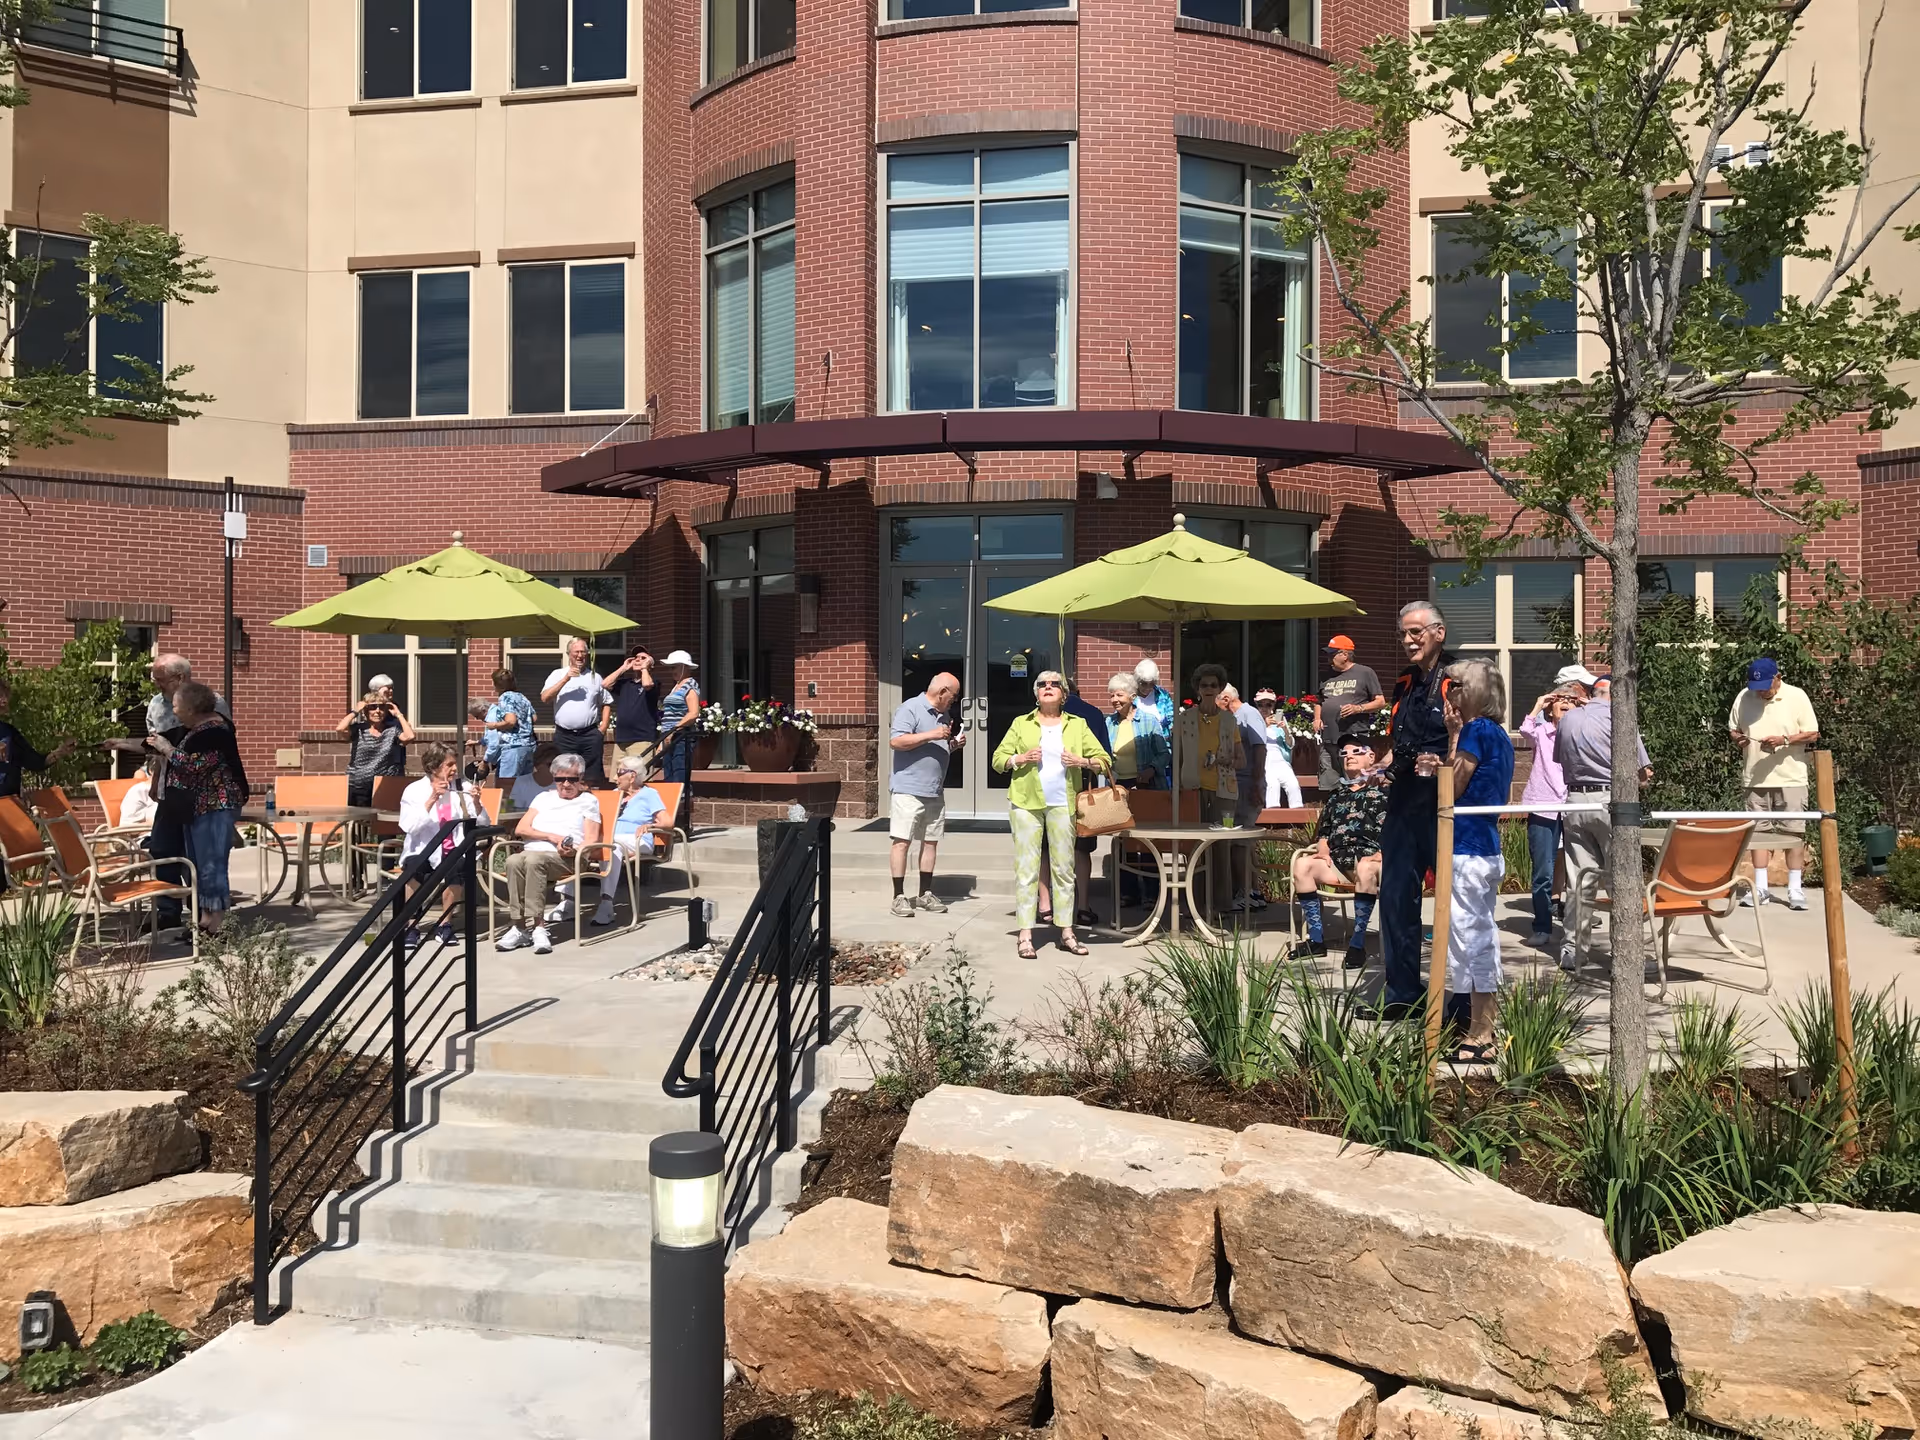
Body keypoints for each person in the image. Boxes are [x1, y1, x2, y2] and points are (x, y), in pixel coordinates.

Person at [1375, 602, 1456, 1019]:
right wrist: (1383, 768)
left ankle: (1458, 999)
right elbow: (1399, 745)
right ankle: (1403, 992)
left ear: (1438, 633)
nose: (1408, 641)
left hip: (1443, 804)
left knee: (1454, 901)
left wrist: (1441, 763)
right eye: (1403, 634)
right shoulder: (1404, 682)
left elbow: (1469, 740)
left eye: (1415, 633)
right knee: (1393, 897)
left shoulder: (1458, 678)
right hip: (1404, 800)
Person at [107, 655, 229, 930]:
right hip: (169, 789)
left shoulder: (212, 707)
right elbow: (156, 746)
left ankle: (203, 916)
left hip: (201, 795)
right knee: (162, 849)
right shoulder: (155, 704)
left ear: (181, 679)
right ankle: (167, 912)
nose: (156, 685)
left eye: (160, 680)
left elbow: (203, 752)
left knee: (198, 856)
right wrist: (153, 777)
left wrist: (166, 751)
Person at [993, 670, 1109, 959]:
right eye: (1042, 684)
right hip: (1026, 802)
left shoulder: (1078, 724)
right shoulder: (1021, 723)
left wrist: (1083, 761)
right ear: (1035, 693)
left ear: (1064, 694)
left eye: (1054, 684)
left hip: (1064, 804)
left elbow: (1105, 760)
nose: (1048, 687)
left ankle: (1067, 931)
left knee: (1064, 868)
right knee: (1027, 868)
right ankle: (1025, 934)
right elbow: (997, 760)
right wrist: (1018, 758)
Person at [1554, 669, 1653, 973]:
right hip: (1610, 803)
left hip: (1573, 803)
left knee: (1579, 879)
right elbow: (1643, 773)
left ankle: (1573, 951)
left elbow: (1561, 759)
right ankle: (1627, 954)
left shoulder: (1569, 718)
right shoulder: (1619, 718)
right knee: (1619, 879)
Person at [1442, 658, 1516, 1065]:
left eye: (1454, 685)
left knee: (1472, 938)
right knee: (1471, 936)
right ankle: (1475, 1023)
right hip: (1484, 843)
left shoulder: (1476, 730)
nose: (1449, 692)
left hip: (1468, 847)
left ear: (1471, 691)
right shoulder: (1499, 734)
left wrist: (1453, 736)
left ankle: (1482, 1031)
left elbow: (1452, 786)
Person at [150, 680, 248, 935]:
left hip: (216, 804)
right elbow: (156, 742)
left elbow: (195, 765)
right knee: (199, 864)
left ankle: (216, 925)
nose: (173, 709)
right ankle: (204, 919)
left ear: (191, 707)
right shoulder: (193, 730)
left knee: (212, 864)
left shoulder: (217, 731)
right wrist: (118, 743)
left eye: (176, 704)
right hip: (197, 806)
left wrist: (167, 750)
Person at [1728, 657, 1820, 911]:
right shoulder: (1744, 696)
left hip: (1790, 778)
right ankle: (1761, 888)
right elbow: (1734, 729)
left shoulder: (1796, 696)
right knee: (1759, 834)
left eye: (1767, 686)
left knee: (1793, 833)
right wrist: (1739, 740)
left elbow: (1813, 733)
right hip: (1755, 779)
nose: (1762, 692)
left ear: (1778, 678)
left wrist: (1785, 739)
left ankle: (1794, 889)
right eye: (1757, 687)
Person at [1289, 738, 1389, 967]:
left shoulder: (1385, 792)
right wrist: (1323, 851)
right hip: (1339, 862)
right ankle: (1316, 941)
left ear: (1371, 757)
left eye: (1356, 751)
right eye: (1344, 753)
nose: (1349, 756)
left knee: (1364, 867)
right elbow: (1324, 834)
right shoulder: (1336, 795)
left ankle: (1357, 944)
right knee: (1303, 865)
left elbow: (1398, 829)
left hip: (1374, 863)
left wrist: (1383, 852)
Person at [498, 752, 601, 955]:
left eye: (571, 779)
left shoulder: (588, 801)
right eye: (560, 779)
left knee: (533, 861)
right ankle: (519, 927)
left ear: (580, 779)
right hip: (533, 853)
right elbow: (521, 829)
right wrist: (552, 837)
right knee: (512, 861)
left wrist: (573, 850)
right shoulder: (543, 798)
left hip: (568, 859)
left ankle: (538, 928)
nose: (565, 784)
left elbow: (592, 839)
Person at [888, 672, 963, 918]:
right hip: (908, 789)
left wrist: (953, 744)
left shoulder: (945, 715)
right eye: (953, 696)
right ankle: (899, 896)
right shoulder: (910, 708)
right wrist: (932, 734)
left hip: (934, 789)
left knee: (930, 842)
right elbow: (897, 742)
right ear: (942, 692)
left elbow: (937, 747)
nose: (954, 701)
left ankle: (925, 894)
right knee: (902, 841)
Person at [1043, 680, 1116, 930]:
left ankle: (1044, 906)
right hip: (1083, 791)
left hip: (1047, 790)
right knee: (1081, 849)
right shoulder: (1093, 714)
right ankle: (1083, 906)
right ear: (1077, 692)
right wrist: (1084, 761)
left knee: (1045, 848)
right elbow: (1106, 758)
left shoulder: (1040, 715)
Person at [397, 743, 480, 950]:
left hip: (454, 847)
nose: (454, 769)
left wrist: (477, 803)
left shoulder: (463, 788)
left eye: (455, 764)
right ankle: (412, 925)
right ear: (434, 767)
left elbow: (481, 822)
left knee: (457, 866)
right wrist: (432, 799)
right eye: (449, 765)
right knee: (414, 867)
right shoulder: (414, 790)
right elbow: (409, 826)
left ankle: (445, 924)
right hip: (423, 847)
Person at [1517, 687, 1578, 948]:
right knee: (1543, 871)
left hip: (1574, 808)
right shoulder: (1542, 732)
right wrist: (1539, 704)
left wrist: (1587, 706)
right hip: (1542, 807)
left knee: (1577, 873)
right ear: (1551, 709)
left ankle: (1575, 930)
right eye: (1560, 700)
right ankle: (1542, 926)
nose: (1565, 703)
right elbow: (1525, 730)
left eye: (1571, 700)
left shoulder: (1582, 733)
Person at [588, 755, 677, 928]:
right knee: (580, 842)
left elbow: (668, 822)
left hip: (638, 840)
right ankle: (568, 902)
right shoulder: (614, 795)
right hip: (613, 840)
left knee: (612, 846)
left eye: (619, 773)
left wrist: (649, 825)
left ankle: (606, 905)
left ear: (632, 776)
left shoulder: (649, 794)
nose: (614, 778)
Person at [1312, 635, 1385, 790]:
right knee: (1329, 783)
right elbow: (1318, 701)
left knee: (1356, 780)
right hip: (1329, 737)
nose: (1328, 658)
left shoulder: (1365, 672)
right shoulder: (1325, 676)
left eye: (1332, 654)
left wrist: (1358, 708)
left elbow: (1380, 701)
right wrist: (1317, 718)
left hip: (1354, 738)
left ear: (1344, 655)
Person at [1219, 684, 1269, 912]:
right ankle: (1253, 890)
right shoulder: (1236, 716)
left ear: (1227, 698)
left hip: (1248, 783)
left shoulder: (1248, 714)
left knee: (1239, 839)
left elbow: (1260, 750)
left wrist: (1257, 785)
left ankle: (1244, 891)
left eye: (1218, 700)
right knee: (1244, 840)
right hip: (1237, 784)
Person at [1174, 664, 1241, 824]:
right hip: (1192, 789)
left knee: (1224, 838)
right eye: (1204, 685)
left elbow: (1241, 760)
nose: (1209, 689)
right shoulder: (1184, 719)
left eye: (1213, 685)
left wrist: (1223, 760)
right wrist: (1176, 789)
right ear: (1198, 689)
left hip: (1224, 790)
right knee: (1195, 838)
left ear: (1220, 689)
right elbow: (1177, 758)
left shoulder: (1229, 720)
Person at [542, 638, 612, 787]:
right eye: (576, 652)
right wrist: (566, 679)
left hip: (590, 735)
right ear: (569, 654)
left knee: (591, 777)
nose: (580, 656)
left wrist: (603, 728)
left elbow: (607, 702)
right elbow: (545, 698)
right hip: (564, 736)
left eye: (583, 652)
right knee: (563, 775)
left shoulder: (595, 677)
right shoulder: (557, 674)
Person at [336, 692, 414, 807]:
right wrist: (355, 711)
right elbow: (340, 729)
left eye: (382, 707)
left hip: (383, 787)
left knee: (380, 822)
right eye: (372, 707)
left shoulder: (392, 730)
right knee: (360, 822)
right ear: (366, 711)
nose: (377, 711)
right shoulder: (358, 729)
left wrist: (398, 714)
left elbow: (410, 736)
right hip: (358, 786)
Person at [1104, 673, 1170, 789]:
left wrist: (1152, 770)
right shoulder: (1109, 722)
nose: (1114, 700)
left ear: (1132, 697)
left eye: (1119, 695)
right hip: (1117, 786)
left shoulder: (1149, 721)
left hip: (1145, 785)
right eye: (1112, 696)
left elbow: (1163, 754)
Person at [604, 645, 660, 768]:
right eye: (635, 657)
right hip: (621, 739)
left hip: (641, 739)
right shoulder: (625, 683)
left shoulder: (654, 683)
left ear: (651, 663)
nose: (638, 660)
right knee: (619, 780)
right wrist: (623, 668)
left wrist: (645, 668)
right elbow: (605, 684)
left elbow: (646, 684)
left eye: (643, 657)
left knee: (637, 779)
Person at [654, 651, 704, 785]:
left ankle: (682, 802)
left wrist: (674, 730)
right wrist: (664, 738)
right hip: (669, 735)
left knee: (679, 774)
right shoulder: (676, 686)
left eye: (675, 667)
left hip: (681, 736)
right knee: (668, 774)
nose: (672, 671)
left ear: (685, 667)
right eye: (671, 667)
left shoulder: (690, 686)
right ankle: (672, 803)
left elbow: (693, 713)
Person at [1253, 688, 1304, 810]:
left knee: (1293, 785)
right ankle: (1273, 819)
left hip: (1281, 760)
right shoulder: (1253, 720)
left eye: (1268, 704)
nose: (1264, 708)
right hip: (1264, 761)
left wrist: (1285, 730)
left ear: (1273, 705)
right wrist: (1265, 725)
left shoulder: (1280, 719)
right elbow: (1250, 741)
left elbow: (1290, 744)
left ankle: (1297, 819)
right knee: (1272, 785)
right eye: (1261, 705)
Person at [485, 669, 537, 783]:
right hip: (529, 746)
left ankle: (508, 802)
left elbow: (511, 721)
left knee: (507, 786)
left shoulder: (505, 697)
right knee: (524, 786)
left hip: (513, 748)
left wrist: (494, 725)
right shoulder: (522, 697)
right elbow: (534, 718)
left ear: (498, 685)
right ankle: (523, 802)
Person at [1133, 659, 1175, 744]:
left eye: (1151, 684)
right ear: (1137, 681)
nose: (1148, 688)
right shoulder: (1130, 696)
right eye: (1144, 683)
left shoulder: (1162, 694)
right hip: (1137, 745)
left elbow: (1171, 717)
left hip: (1162, 744)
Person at [510, 743, 559, 811]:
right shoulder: (521, 782)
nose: (554, 768)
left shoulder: (562, 783)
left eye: (556, 765)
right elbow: (514, 809)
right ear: (538, 765)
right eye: (550, 764)